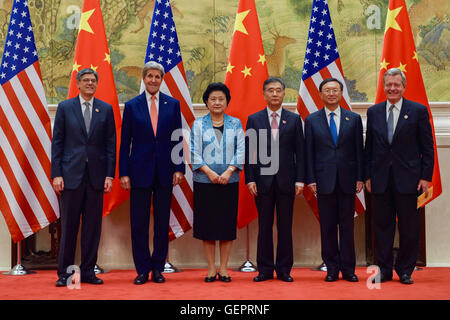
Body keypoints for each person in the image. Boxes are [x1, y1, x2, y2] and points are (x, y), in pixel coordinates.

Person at [365, 68, 434, 285]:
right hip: (380, 180)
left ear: (403, 87)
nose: (392, 88)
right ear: (383, 87)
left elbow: (427, 147)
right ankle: (384, 271)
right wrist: (367, 176)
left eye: (396, 84)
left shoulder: (418, 111)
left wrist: (425, 177)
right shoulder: (374, 112)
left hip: (410, 180)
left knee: (409, 228)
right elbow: (370, 149)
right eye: (388, 85)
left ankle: (405, 270)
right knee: (382, 227)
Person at [119, 61, 185, 285]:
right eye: (150, 76)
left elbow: (177, 138)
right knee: (138, 223)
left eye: (157, 77)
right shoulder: (132, 106)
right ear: (144, 78)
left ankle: (158, 268)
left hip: (166, 172)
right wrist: (124, 173)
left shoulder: (172, 105)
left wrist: (179, 167)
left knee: (161, 223)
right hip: (138, 172)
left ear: (162, 79)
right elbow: (124, 142)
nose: (153, 80)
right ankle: (141, 269)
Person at [51, 68, 116, 286]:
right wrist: (56, 174)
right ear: (78, 84)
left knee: (92, 228)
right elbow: (57, 143)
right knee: (69, 227)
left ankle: (88, 272)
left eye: (93, 80)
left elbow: (110, 146)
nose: (89, 83)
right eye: (86, 80)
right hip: (70, 177)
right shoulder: (65, 108)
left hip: (96, 178)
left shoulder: (105, 110)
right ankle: (66, 274)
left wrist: (109, 175)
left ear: (97, 85)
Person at [245, 77, 305, 282]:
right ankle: (264, 269)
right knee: (264, 227)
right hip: (262, 183)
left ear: (284, 93)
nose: (275, 94)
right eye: (270, 90)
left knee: (285, 227)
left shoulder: (294, 119)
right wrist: (250, 179)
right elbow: (250, 152)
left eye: (278, 90)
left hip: (287, 182)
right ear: (264, 94)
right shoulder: (254, 119)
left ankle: (284, 269)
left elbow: (301, 153)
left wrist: (300, 180)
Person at [305, 78, 364, 282]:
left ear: (341, 93)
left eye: (335, 90)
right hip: (323, 181)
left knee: (347, 227)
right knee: (328, 227)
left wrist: (359, 177)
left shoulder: (353, 119)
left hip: (348, 181)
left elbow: (359, 151)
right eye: (327, 90)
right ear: (320, 94)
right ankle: (331, 268)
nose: (331, 93)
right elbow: (308, 153)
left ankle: (348, 269)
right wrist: (310, 179)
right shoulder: (312, 120)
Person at [190, 82, 244, 283]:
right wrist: (210, 172)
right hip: (205, 181)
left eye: (221, 98)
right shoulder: (198, 124)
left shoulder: (235, 123)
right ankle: (211, 268)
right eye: (213, 99)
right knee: (208, 226)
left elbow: (241, 150)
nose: (217, 102)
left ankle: (224, 268)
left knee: (226, 226)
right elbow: (193, 151)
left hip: (229, 181)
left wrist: (229, 171)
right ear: (206, 101)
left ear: (227, 101)